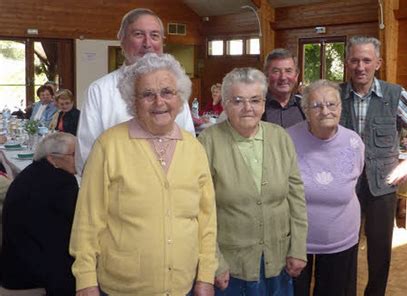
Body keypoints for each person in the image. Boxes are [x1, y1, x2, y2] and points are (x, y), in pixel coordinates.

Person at [69, 53, 217, 296]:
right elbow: (87, 219)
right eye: (148, 94)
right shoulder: (109, 145)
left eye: (167, 92)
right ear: (132, 101)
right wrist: (85, 280)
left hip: (184, 286)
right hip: (123, 287)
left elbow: (207, 220)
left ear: (180, 99)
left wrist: (206, 275)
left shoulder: (194, 148)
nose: (159, 102)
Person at [198, 67, 307, 295]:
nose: (248, 108)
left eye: (255, 100)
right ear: (225, 104)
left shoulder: (280, 137)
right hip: (231, 267)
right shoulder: (208, 141)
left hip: (278, 261)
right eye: (238, 101)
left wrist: (297, 247)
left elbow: (296, 198)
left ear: (264, 104)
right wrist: (214, 261)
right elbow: (199, 210)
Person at [340, 36, 407, 296]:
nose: (361, 66)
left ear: (378, 63)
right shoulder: (335, 95)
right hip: (343, 187)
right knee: (344, 249)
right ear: (347, 62)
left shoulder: (394, 94)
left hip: (382, 185)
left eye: (367, 60)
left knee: (380, 251)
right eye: (355, 60)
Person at [75, 7, 195, 174]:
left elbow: (188, 142)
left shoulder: (175, 87)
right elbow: (87, 156)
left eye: (154, 35)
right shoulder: (100, 90)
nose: (147, 43)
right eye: (138, 34)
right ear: (122, 41)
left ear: (162, 42)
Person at [288, 80, 364, 296]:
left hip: (341, 240)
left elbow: (354, 179)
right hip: (295, 243)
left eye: (332, 104)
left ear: (340, 108)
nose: (325, 111)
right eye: (317, 106)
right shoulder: (287, 139)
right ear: (305, 111)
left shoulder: (353, 142)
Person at [0, 132, 78, 295]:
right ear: (52, 159)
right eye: (73, 154)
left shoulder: (30, 173)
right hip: (34, 274)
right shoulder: (62, 182)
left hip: (13, 263)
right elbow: (79, 223)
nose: (79, 158)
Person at [262, 48, 305, 128]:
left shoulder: (305, 106)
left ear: (296, 76)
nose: (283, 77)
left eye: (288, 71)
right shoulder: (256, 106)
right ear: (266, 75)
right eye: (276, 71)